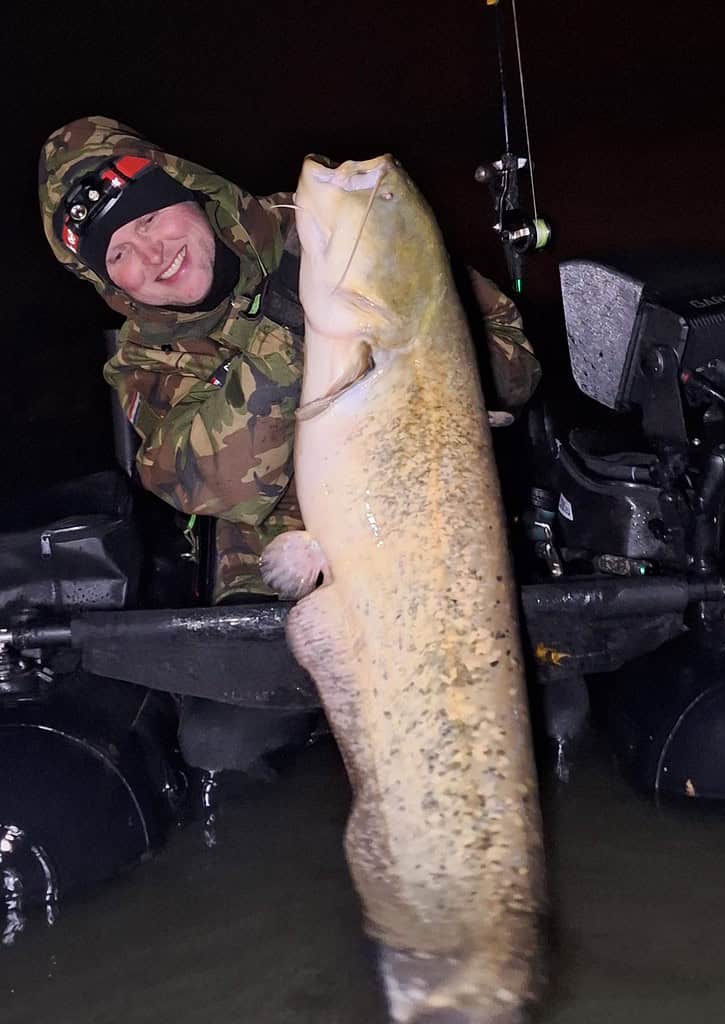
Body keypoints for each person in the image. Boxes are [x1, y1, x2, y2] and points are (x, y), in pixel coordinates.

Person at [38, 115, 542, 772]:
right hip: (270, 588)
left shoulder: (325, 233)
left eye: (150, 218)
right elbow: (207, 482)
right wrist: (288, 331)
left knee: (551, 713)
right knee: (220, 745)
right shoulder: (145, 363)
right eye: (118, 255)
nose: (151, 255)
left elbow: (517, 364)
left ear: (185, 187)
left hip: (432, 553)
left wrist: (424, 350)